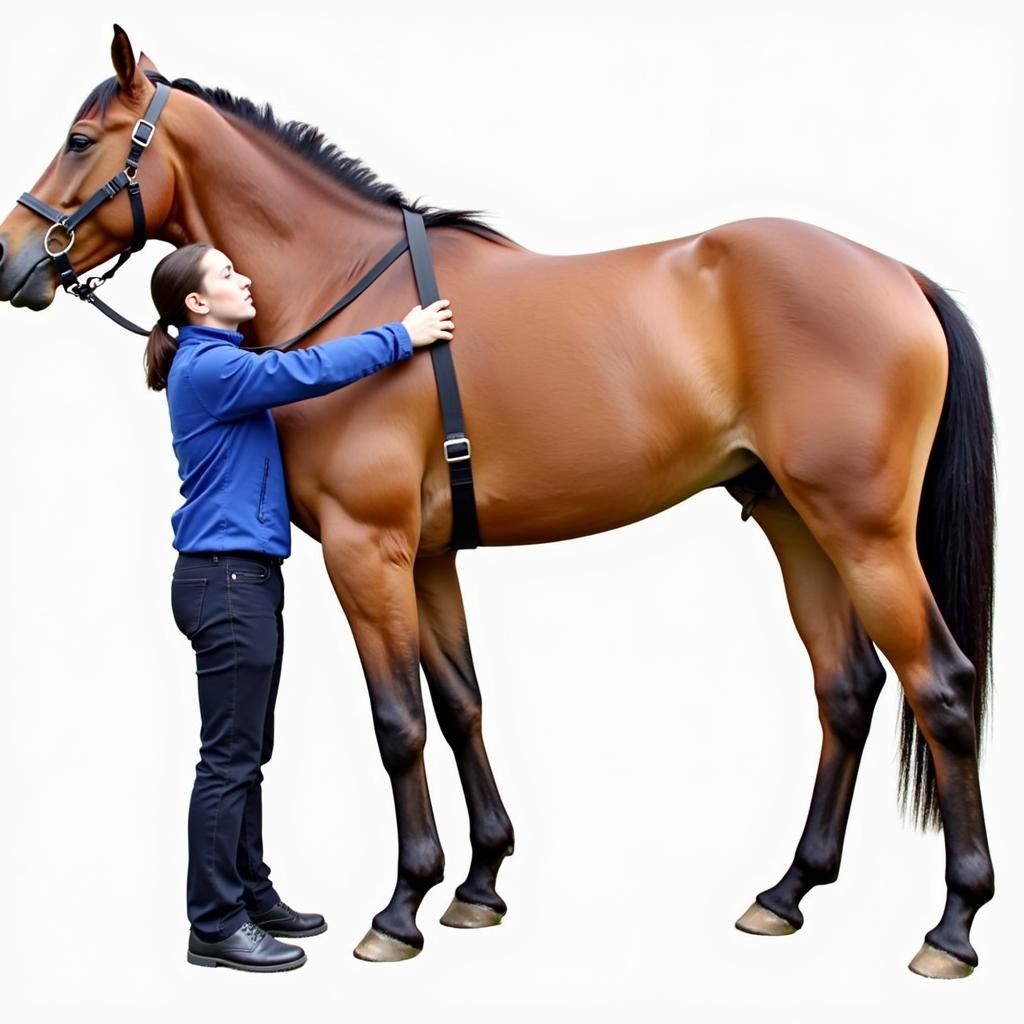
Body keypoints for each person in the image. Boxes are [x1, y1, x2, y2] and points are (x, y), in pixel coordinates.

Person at [143, 241, 454, 972]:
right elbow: (300, 371)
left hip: (239, 581)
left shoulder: (210, 361)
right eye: (225, 274)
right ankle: (215, 924)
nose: (241, 278)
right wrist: (401, 337)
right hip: (225, 582)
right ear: (195, 304)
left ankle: (251, 892)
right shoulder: (213, 366)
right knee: (227, 760)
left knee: (248, 753)